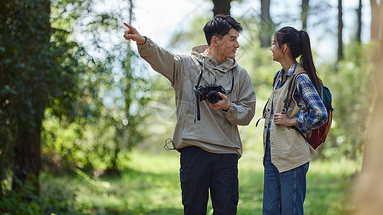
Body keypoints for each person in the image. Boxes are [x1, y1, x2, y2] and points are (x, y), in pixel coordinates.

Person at [123, 14, 256, 215]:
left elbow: (247, 114)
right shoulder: (185, 65)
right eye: (232, 39)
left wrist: (228, 107)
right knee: (193, 211)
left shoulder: (240, 74)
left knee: (227, 211)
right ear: (215, 40)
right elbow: (161, 57)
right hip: (194, 150)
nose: (237, 45)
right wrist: (143, 42)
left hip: (226, 153)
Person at [261, 26, 328, 215]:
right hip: (273, 155)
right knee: (270, 211)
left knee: (290, 211)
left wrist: (293, 121)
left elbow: (320, 113)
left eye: (274, 43)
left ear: (284, 48)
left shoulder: (301, 78)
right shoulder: (279, 76)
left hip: (292, 157)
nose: (271, 47)